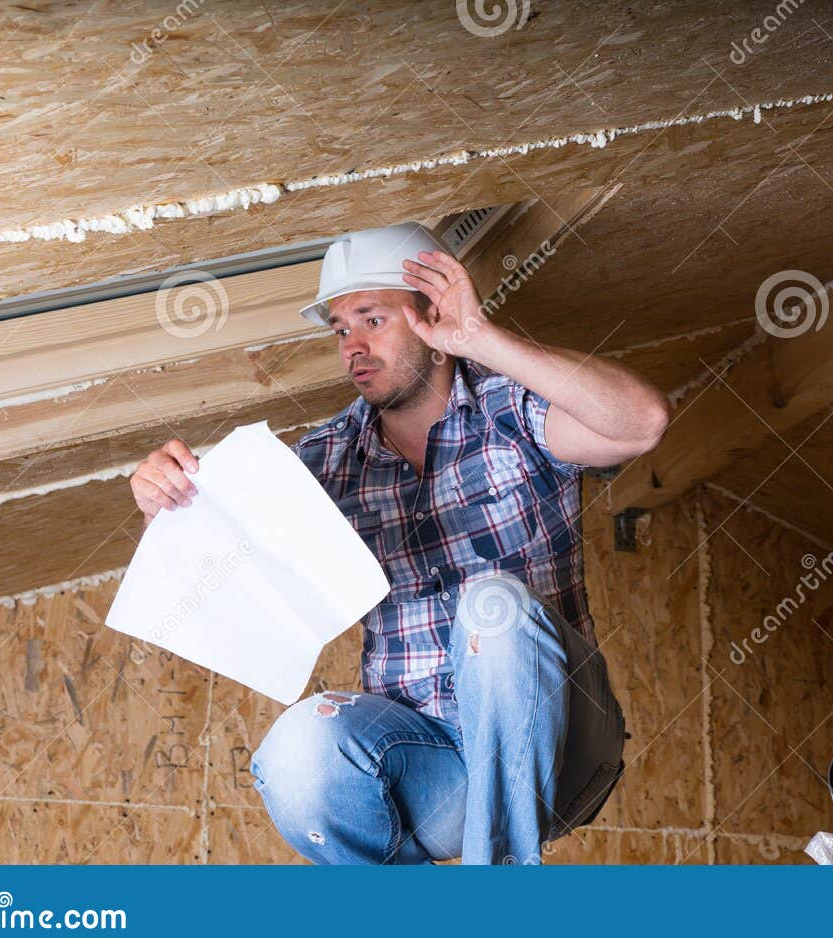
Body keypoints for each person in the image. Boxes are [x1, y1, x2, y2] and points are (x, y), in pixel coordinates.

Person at [128, 222, 670, 864]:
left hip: (560, 749)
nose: (351, 346)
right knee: (298, 748)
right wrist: (164, 504)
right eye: (339, 330)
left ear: (432, 316)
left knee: (491, 607)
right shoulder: (323, 461)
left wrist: (481, 339)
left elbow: (643, 422)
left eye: (371, 319)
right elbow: (207, 577)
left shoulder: (513, 412)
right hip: (437, 774)